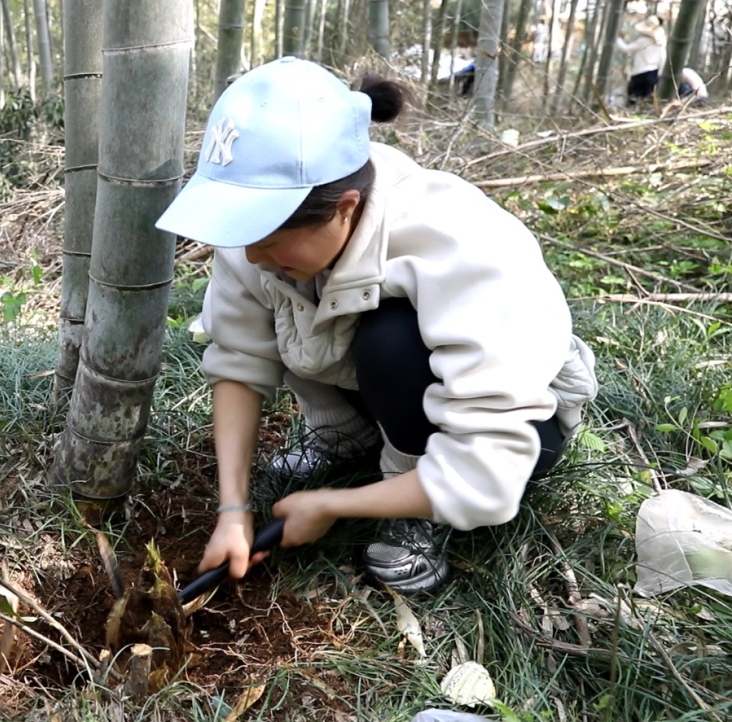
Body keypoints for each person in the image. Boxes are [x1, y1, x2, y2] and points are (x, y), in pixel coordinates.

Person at [155, 58, 598, 595]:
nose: (250, 253)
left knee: (390, 341)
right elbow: (238, 361)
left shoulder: (460, 244)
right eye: (240, 228)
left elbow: (489, 472)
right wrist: (233, 509)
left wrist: (334, 505)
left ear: (344, 208)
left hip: (514, 427)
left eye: (267, 237)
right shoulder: (263, 242)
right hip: (384, 394)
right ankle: (353, 440)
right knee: (290, 298)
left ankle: (416, 503)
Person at [617, 15, 667, 106]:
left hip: (639, 73)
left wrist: (618, 38)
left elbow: (625, 48)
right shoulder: (661, 44)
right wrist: (660, 73)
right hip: (653, 73)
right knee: (648, 100)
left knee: (633, 98)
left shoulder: (642, 41)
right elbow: (663, 59)